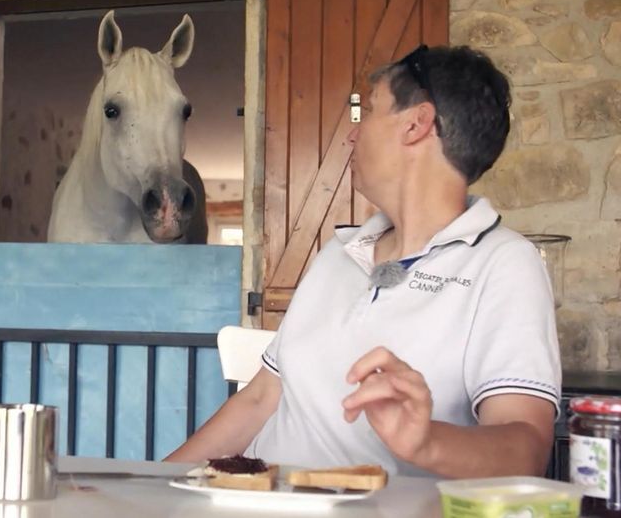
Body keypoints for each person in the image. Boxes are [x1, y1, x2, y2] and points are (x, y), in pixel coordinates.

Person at [166, 45, 561, 478]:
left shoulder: (503, 264)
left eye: (368, 111)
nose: (352, 133)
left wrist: (427, 440)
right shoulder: (338, 254)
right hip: (252, 500)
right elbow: (261, 398)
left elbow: (526, 450)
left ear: (416, 124)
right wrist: (152, 487)